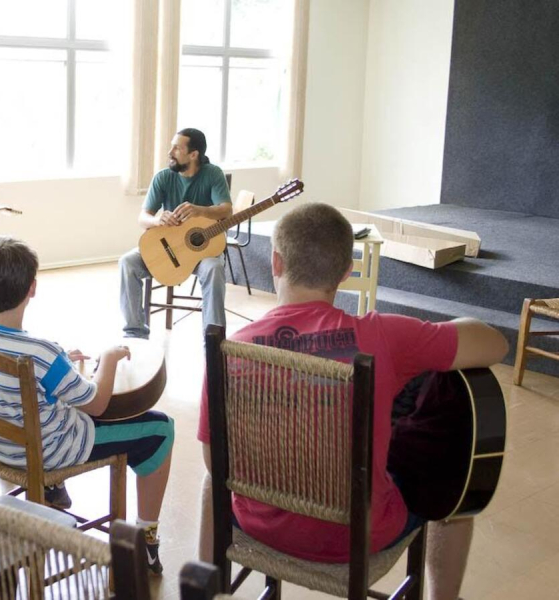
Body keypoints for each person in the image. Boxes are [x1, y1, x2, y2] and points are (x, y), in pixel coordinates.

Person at [196, 203, 508, 600]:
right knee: (451, 488)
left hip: (258, 525)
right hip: (357, 537)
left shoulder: (230, 348)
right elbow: (495, 344)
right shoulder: (384, 337)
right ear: (347, 271)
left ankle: (203, 590)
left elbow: (214, 462)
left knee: (211, 479)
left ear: (276, 262)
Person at [0, 237, 175, 574]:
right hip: (48, 451)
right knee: (160, 428)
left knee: (54, 405)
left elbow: (16, 380)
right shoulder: (41, 353)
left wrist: (61, 363)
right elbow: (97, 404)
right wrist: (108, 359)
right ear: (33, 289)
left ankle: (53, 491)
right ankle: (146, 539)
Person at [119, 128, 232, 339]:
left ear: (193, 154)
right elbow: (142, 217)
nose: (170, 152)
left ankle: (214, 338)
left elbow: (226, 209)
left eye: (177, 148)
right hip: (168, 249)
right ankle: (135, 333)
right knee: (128, 262)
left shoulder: (213, 174)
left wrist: (201, 210)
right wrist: (157, 220)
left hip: (201, 254)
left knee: (215, 268)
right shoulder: (163, 177)